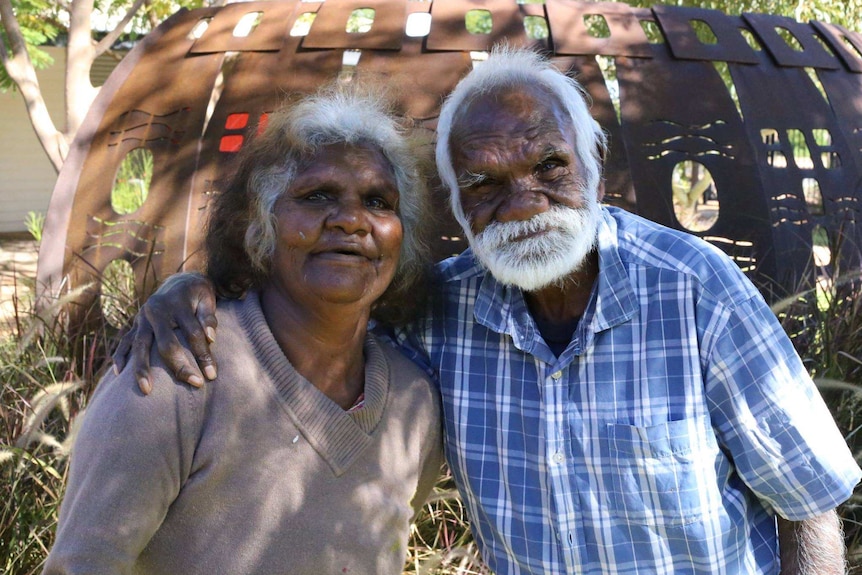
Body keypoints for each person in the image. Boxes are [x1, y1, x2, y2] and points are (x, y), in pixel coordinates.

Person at [116, 47, 861, 574]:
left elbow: (806, 507)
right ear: (455, 204)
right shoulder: (435, 307)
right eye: (484, 182)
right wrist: (194, 288)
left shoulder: (695, 289)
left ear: (592, 165)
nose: (524, 201)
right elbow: (311, 311)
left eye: (548, 167)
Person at [43, 83, 444, 575]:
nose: (352, 220)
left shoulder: (413, 399)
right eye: (317, 195)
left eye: (379, 201)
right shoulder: (178, 373)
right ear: (259, 223)